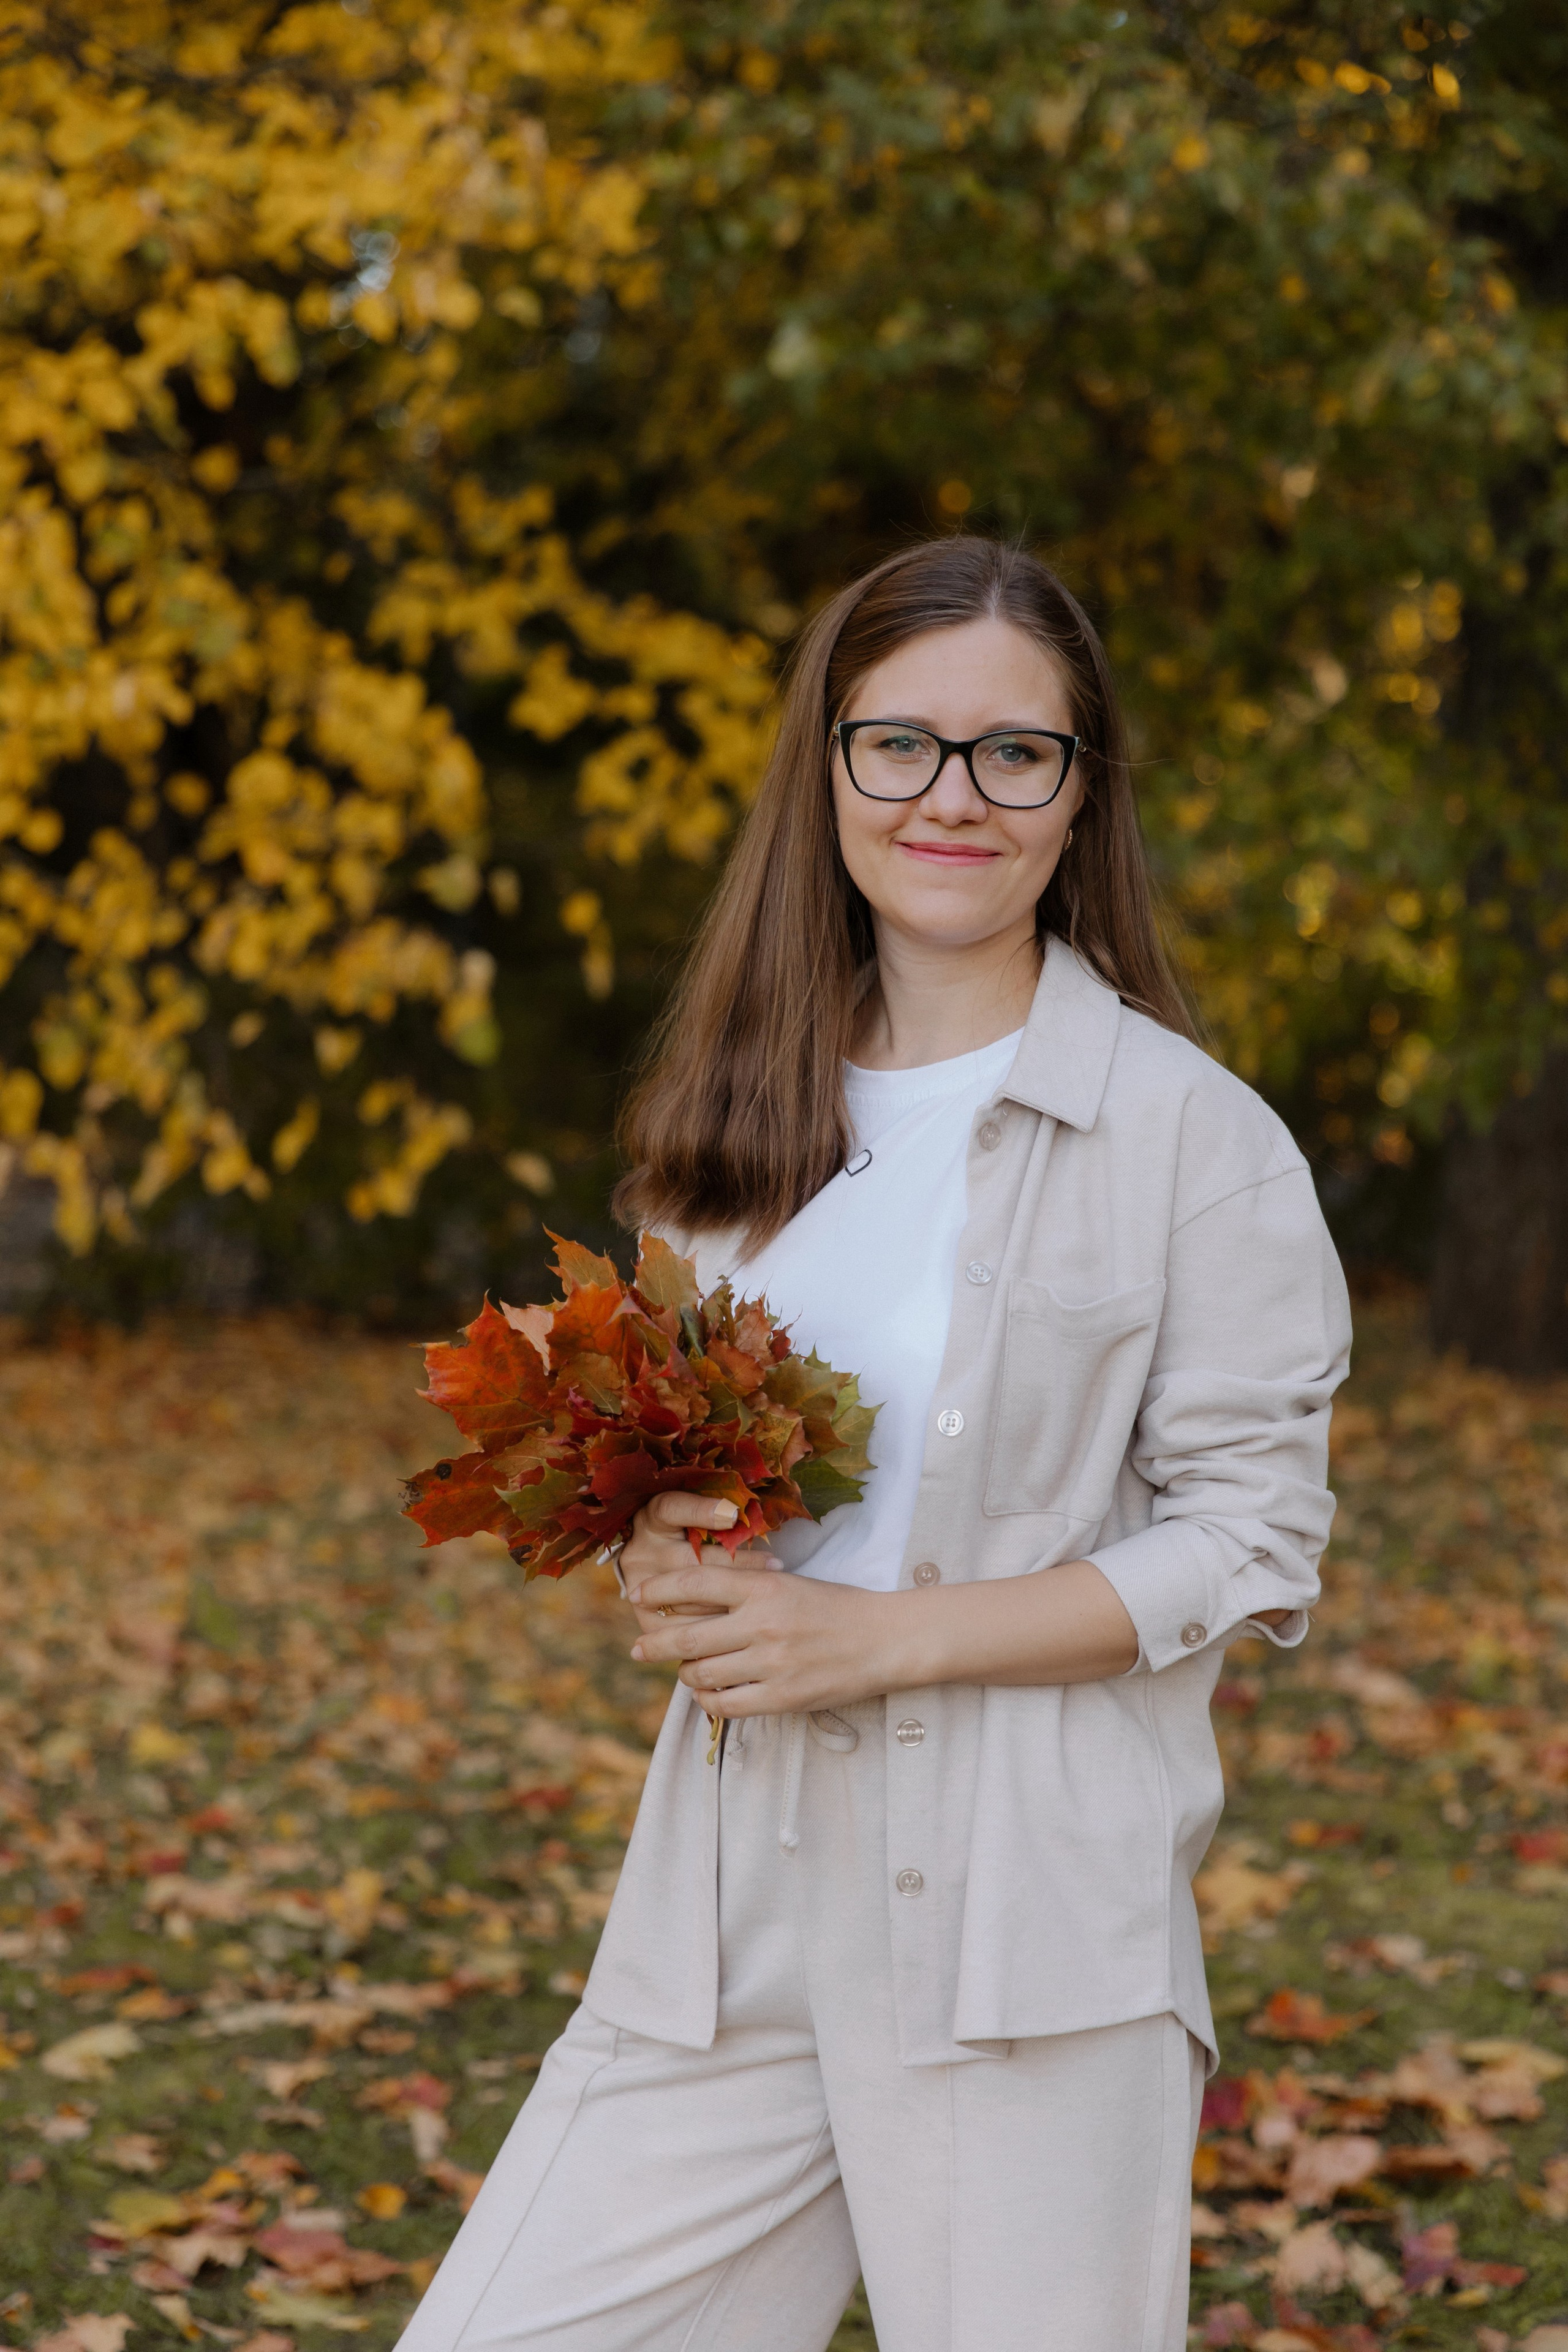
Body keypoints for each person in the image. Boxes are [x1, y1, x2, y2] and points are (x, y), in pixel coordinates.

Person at [398, 536, 1351, 2352]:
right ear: (828, 768)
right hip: (730, 1903)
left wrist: (886, 1638)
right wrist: (671, 1550)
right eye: (898, 743)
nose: (953, 797)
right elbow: (732, 1487)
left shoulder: (1193, 1141)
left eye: (1016, 754)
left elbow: (1248, 1543)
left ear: (1083, 797)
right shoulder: (734, 1137)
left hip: (1026, 1929)